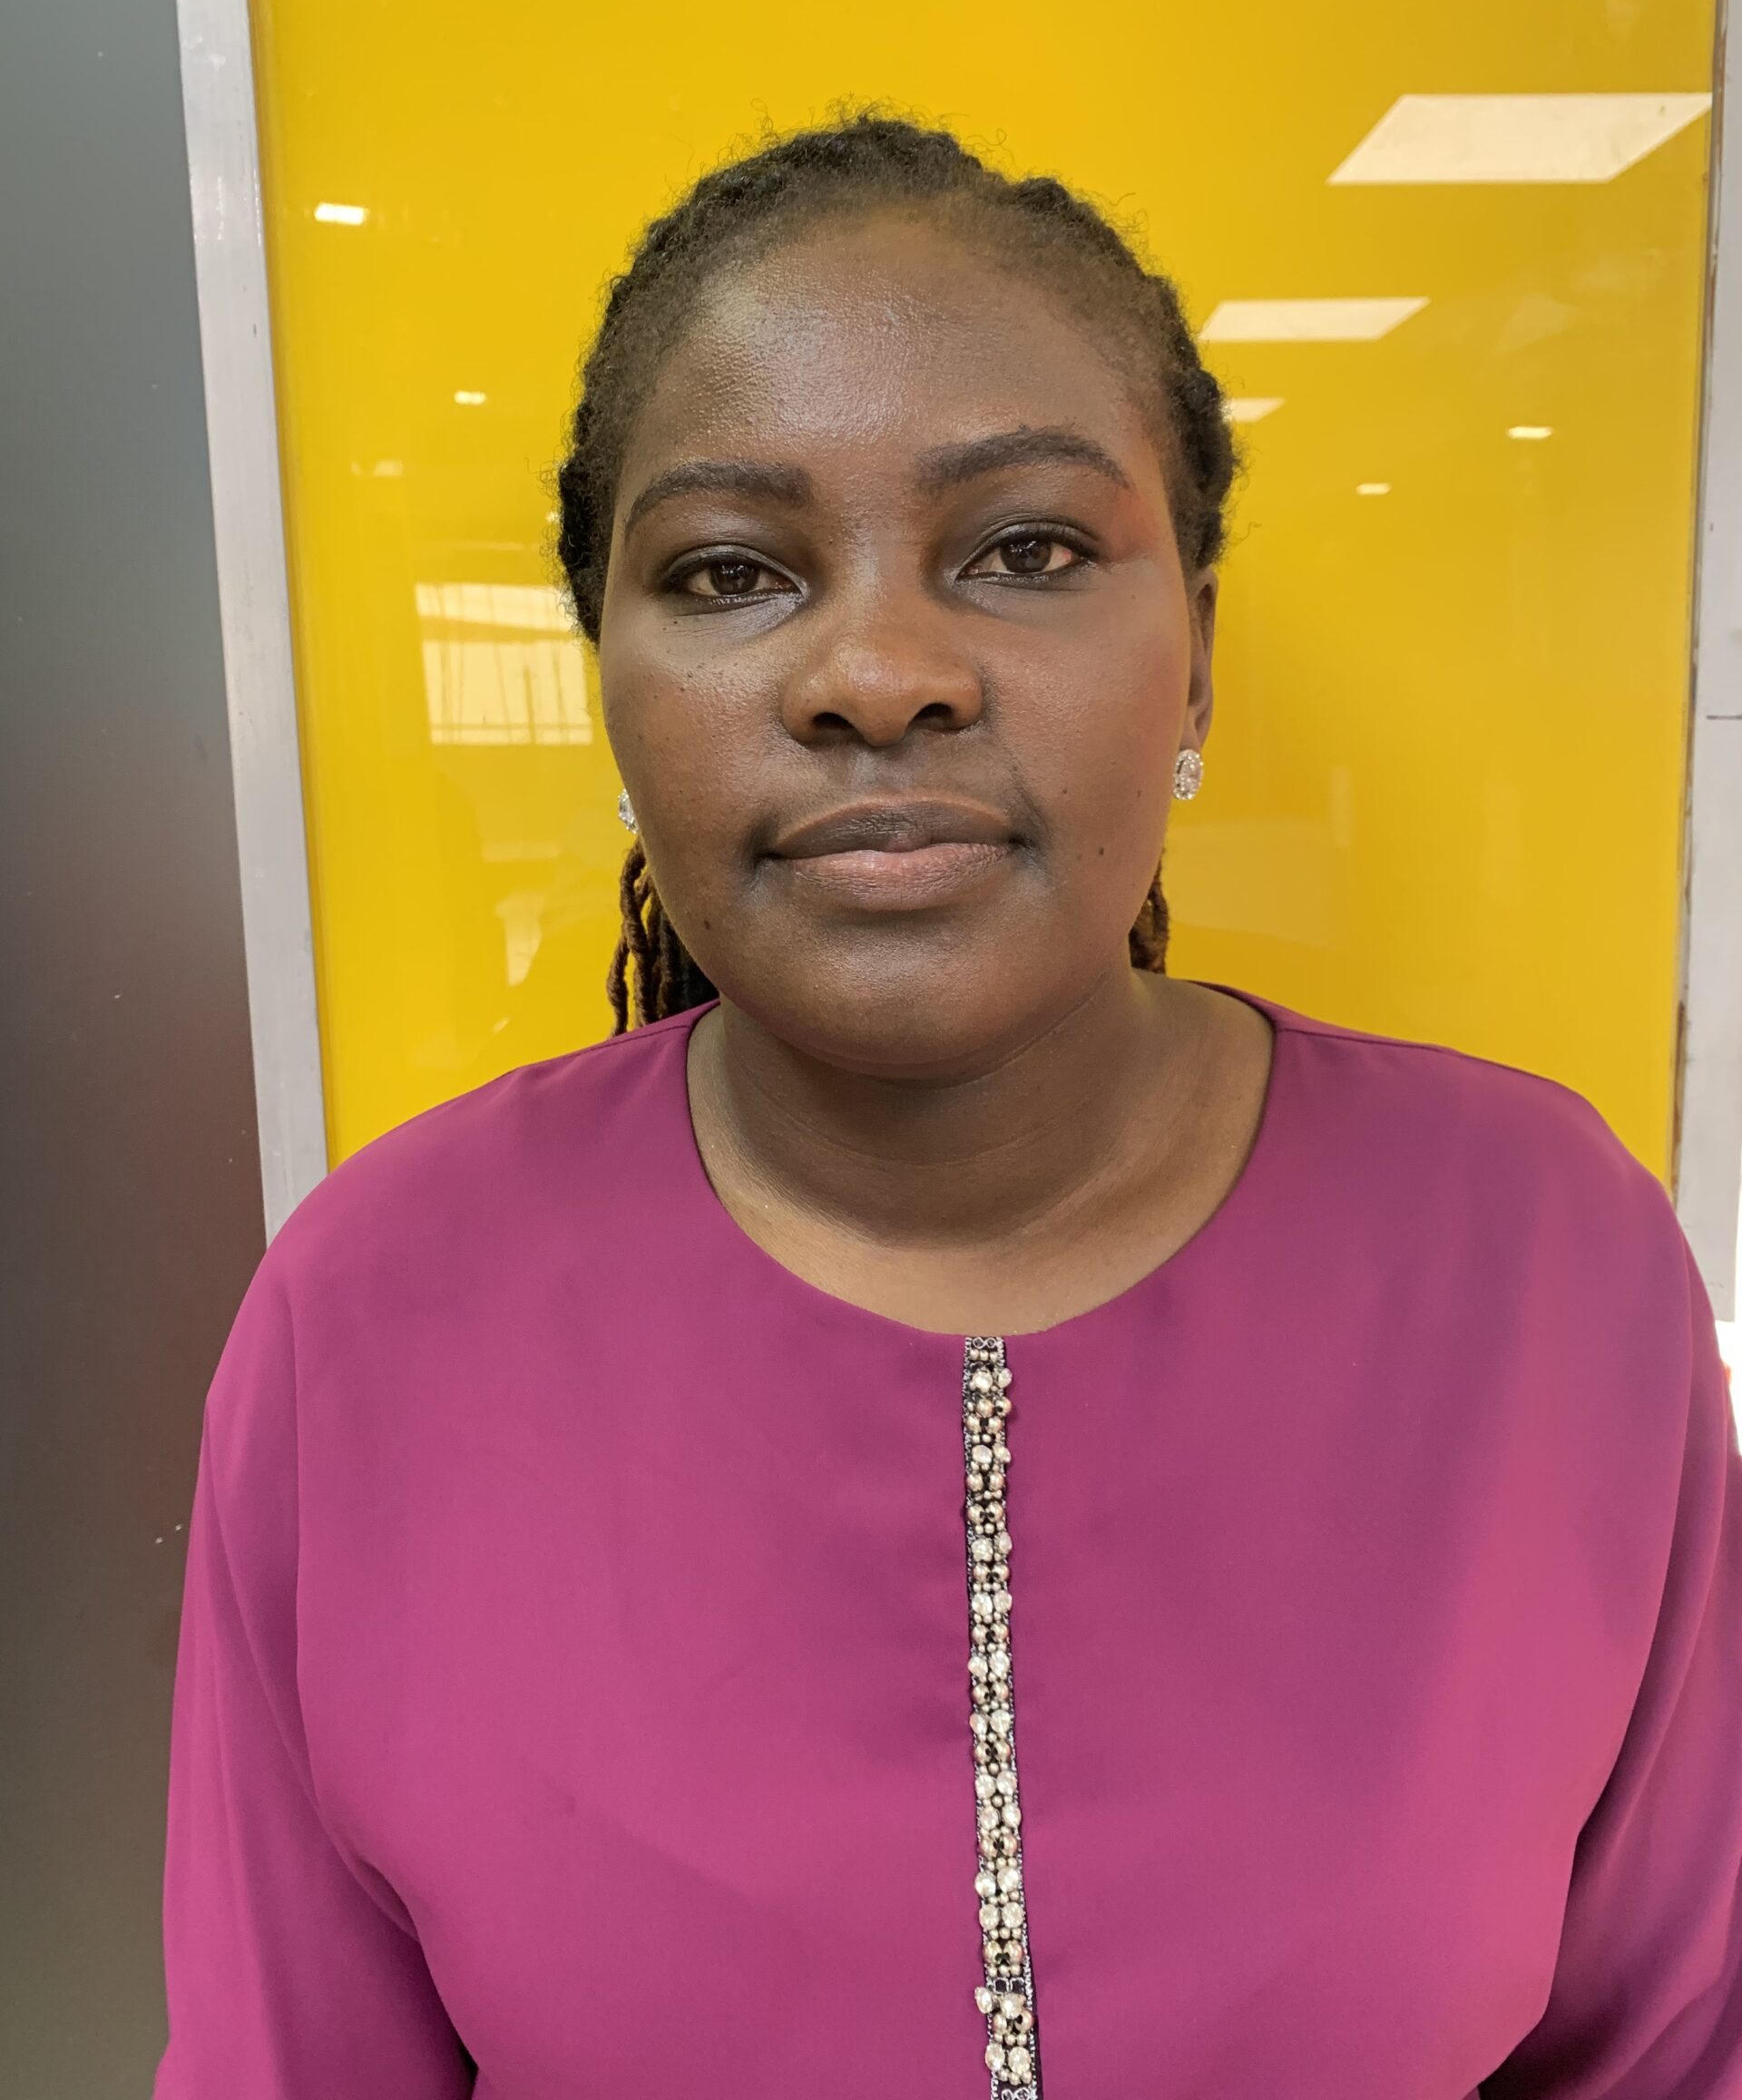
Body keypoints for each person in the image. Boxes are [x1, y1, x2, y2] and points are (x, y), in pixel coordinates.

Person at [155, 115, 1742, 2098]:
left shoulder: (1541, 1260)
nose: (881, 672)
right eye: (734, 570)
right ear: (607, 687)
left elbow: (1680, 2044)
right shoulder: (372, 1321)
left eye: (1028, 550)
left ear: (1197, 659)